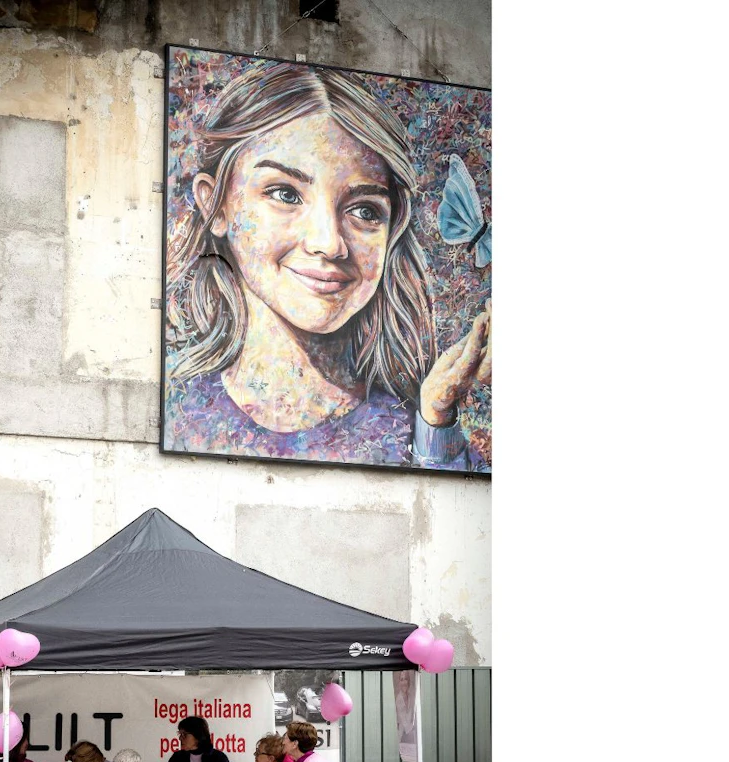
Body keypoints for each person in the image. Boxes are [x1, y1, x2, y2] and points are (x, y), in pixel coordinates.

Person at [164, 60, 490, 471]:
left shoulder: (417, 426)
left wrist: (436, 423)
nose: (329, 243)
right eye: (285, 194)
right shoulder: (178, 403)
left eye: (365, 211)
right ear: (216, 205)